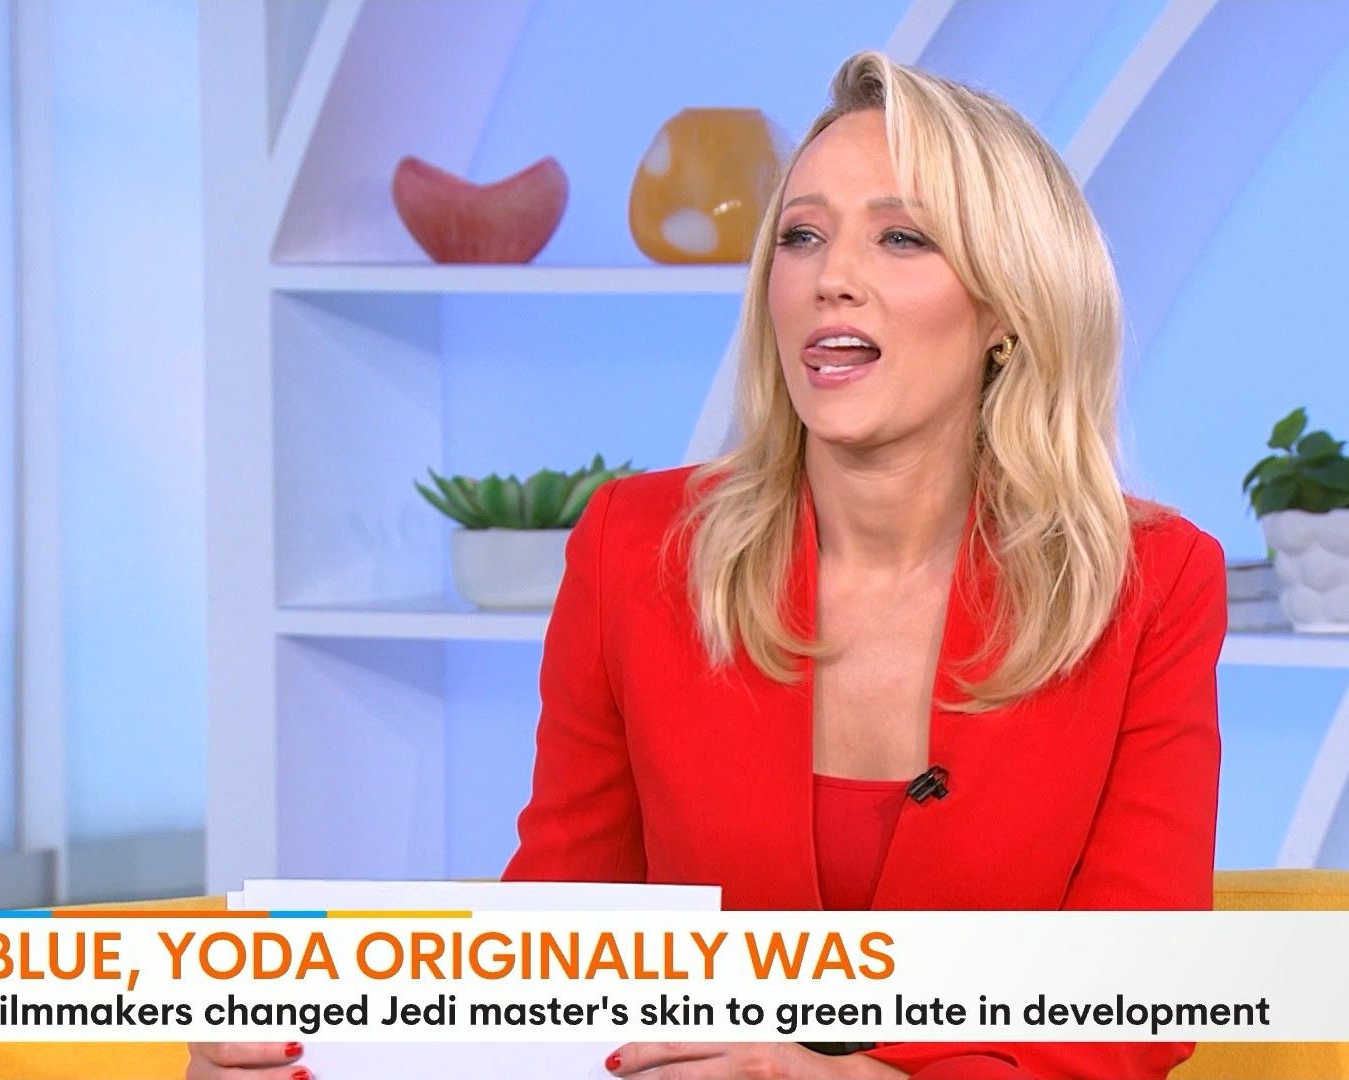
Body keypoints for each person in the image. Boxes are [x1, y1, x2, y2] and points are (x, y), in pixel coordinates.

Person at [189, 48, 1224, 1080]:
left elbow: (1135, 998)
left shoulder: (1151, 581)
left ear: (1008, 309)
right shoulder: (635, 548)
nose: (830, 278)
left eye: (901, 237)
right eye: (801, 236)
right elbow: (558, 943)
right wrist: (317, 1057)